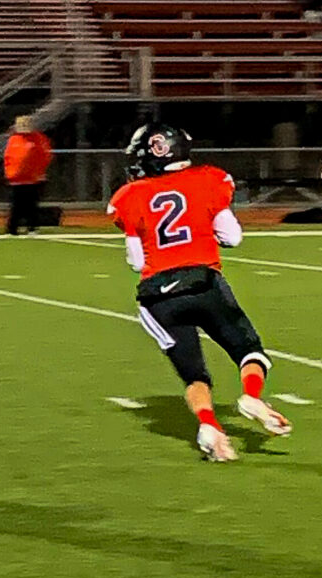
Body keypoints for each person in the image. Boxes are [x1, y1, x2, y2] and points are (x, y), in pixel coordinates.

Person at [108, 123, 292, 462]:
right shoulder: (209, 180)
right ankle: (252, 395)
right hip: (205, 284)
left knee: (194, 373)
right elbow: (233, 237)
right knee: (250, 351)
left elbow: (136, 261)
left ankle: (209, 426)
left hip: (159, 296)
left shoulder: (130, 196)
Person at [3, 116, 52, 235]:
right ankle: (12, 228)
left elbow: (45, 156)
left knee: (32, 205)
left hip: (32, 179)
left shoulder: (38, 139)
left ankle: (32, 227)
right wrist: (9, 173)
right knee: (16, 205)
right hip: (16, 179)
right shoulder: (13, 139)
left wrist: (40, 172)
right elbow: (8, 157)